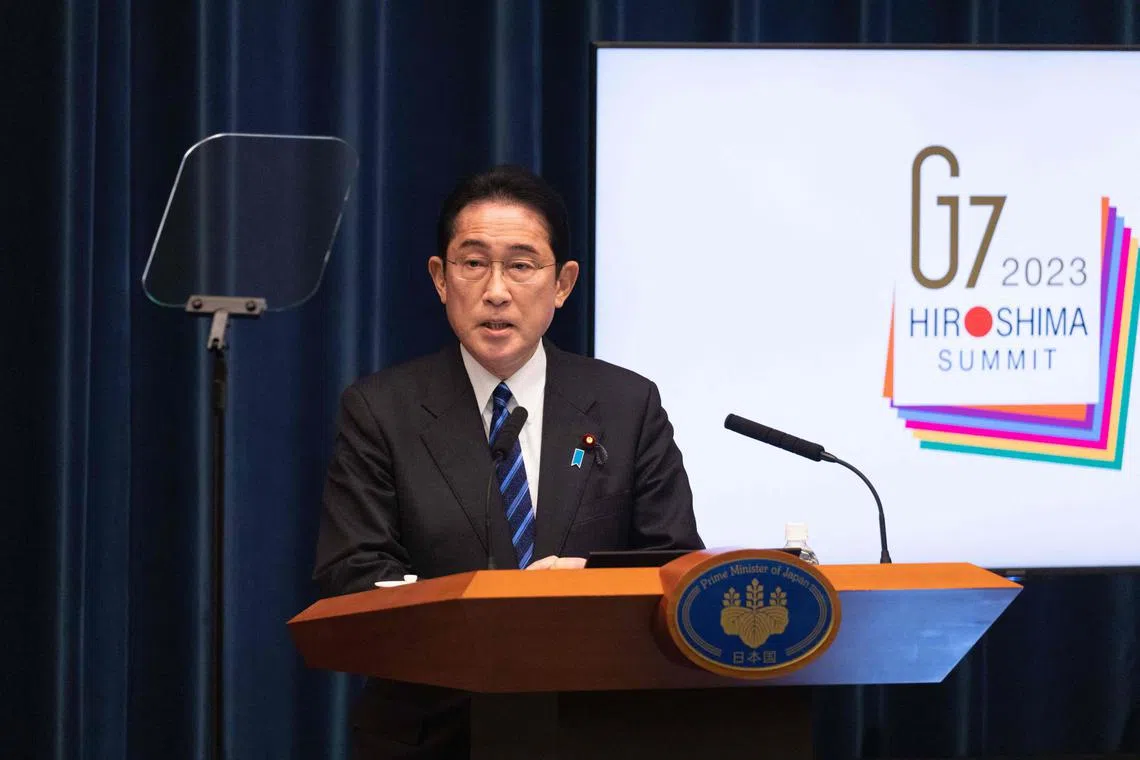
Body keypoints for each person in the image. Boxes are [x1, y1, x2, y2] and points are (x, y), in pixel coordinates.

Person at [313, 165, 703, 758]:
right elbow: (354, 574)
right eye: (473, 263)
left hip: (596, 726)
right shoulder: (380, 410)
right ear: (441, 279)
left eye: (521, 265)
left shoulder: (628, 404)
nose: (497, 290)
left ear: (563, 283)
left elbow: (674, 561)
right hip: (435, 730)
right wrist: (484, 617)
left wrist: (589, 584)